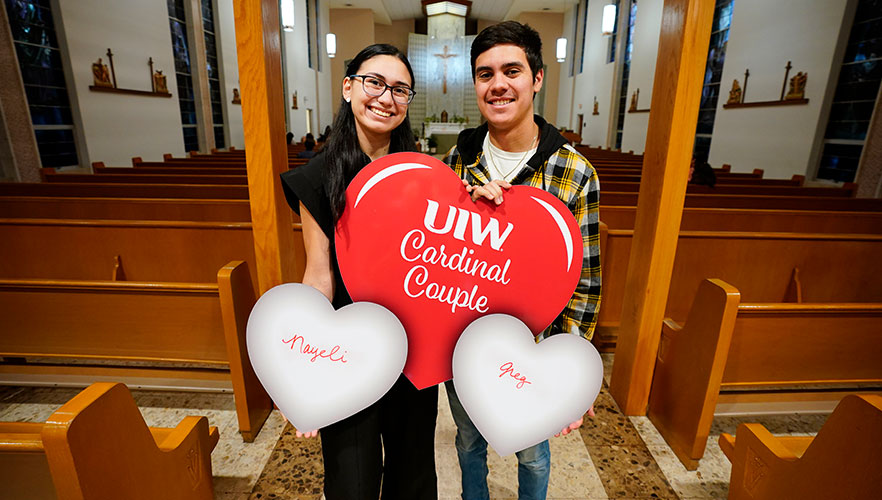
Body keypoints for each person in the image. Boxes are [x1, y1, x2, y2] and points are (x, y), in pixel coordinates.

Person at [442, 21, 601, 500]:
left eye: (512, 70)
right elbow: (440, 258)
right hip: (463, 341)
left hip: (532, 348)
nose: (498, 84)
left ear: (536, 78)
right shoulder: (458, 159)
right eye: (485, 73)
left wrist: (571, 375)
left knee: (531, 452)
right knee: (469, 439)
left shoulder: (573, 171)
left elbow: (585, 284)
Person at [279, 44, 437, 500]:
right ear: (349, 87)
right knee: (353, 478)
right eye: (374, 82)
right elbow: (318, 277)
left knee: (413, 474)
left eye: (400, 89)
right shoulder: (320, 175)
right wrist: (302, 373)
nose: (386, 97)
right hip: (348, 350)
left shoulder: (421, 175)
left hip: (412, 349)